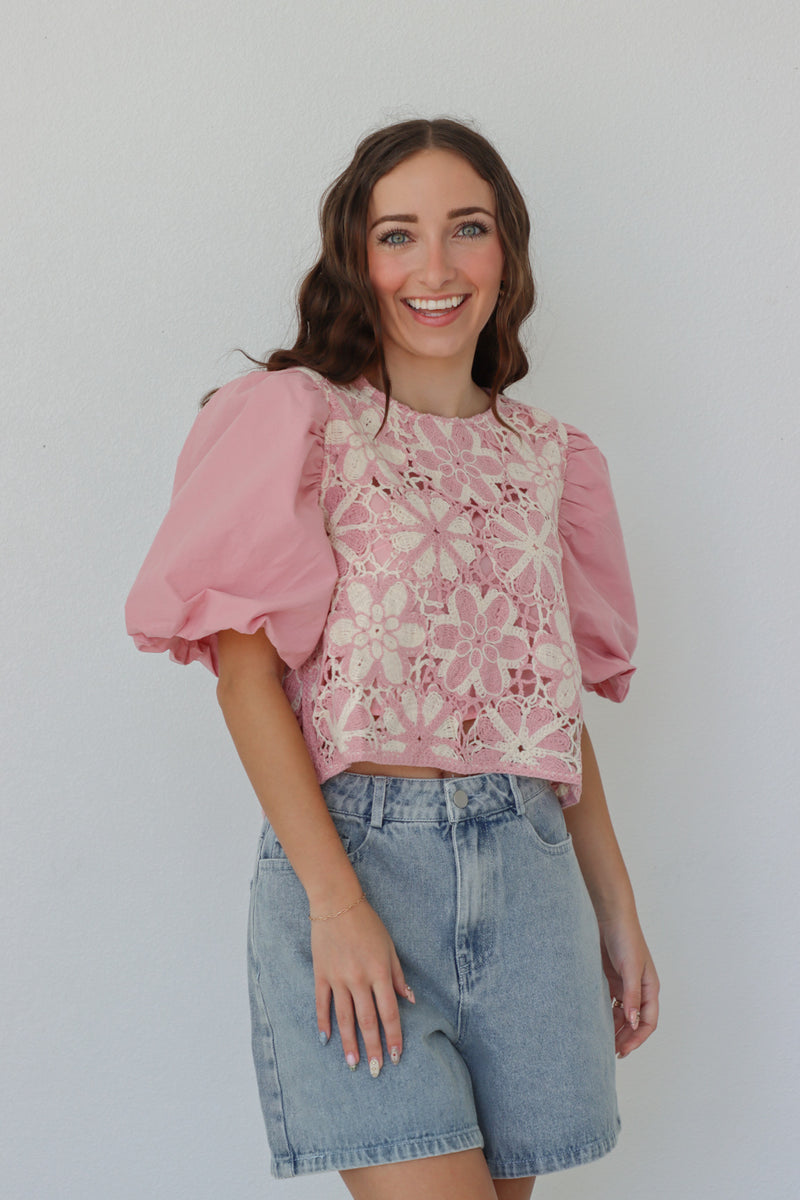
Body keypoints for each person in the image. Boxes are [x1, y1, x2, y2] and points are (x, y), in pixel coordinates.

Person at [125, 117, 659, 1200]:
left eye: (464, 229)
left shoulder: (551, 461)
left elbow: (546, 707)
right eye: (396, 235)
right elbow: (246, 680)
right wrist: (336, 902)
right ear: (357, 260)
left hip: (528, 875)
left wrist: (616, 909)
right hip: (358, 864)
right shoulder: (299, 423)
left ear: (504, 252)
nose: (433, 267)